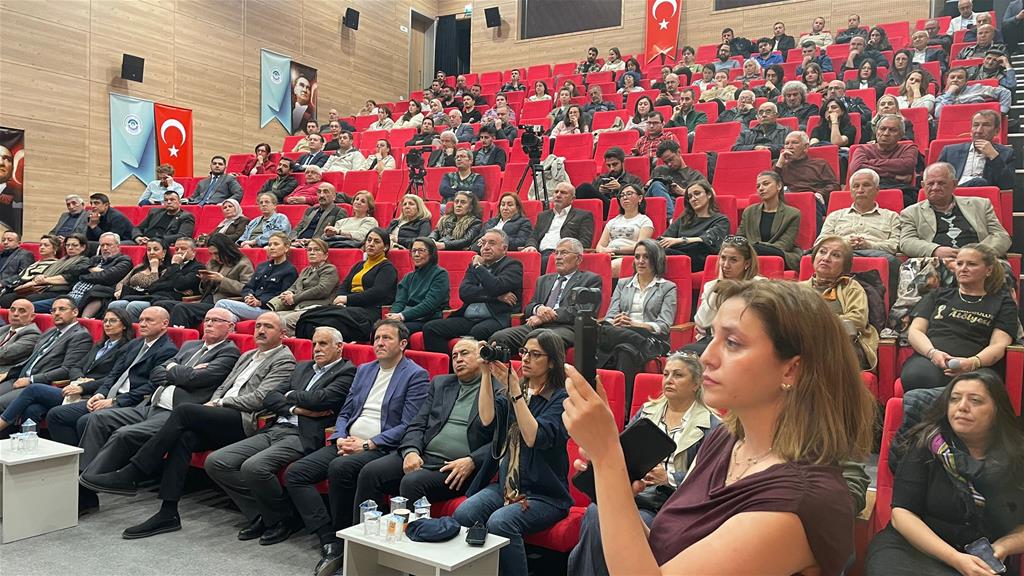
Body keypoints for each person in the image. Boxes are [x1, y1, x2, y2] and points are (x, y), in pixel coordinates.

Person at [561, 279, 875, 576]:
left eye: (733, 343)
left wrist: (608, 457)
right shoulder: (725, 439)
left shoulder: (800, 500)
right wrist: (613, 481)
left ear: (791, 370)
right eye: (712, 337)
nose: (707, 357)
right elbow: (666, 551)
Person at [80, 313, 297, 539]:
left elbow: (260, 398)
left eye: (268, 326)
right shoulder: (248, 355)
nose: (260, 330)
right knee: (184, 438)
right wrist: (215, 400)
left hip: (244, 419)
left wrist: (219, 403)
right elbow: (222, 387)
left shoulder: (284, 359)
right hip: (220, 413)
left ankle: (134, 472)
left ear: (283, 334)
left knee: (184, 411)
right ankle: (168, 513)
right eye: (258, 325)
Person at [286, 319, 428, 576]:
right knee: (296, 473)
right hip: (348, 442)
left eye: (387, 338)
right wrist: (340, 436)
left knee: (340, 467)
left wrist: (369, 443)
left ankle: (350, 542)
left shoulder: (415, 375)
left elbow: (409, 424)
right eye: (377, 338)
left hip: (381, 446)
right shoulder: (364, 370)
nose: (380, 343)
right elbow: (346, 411)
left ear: (403, 344)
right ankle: (330, 539)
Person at [73, 307, 239, 512]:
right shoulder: (190, 345)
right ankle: (87, 488)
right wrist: (180, 371)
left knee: (124, 434)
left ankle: (83, 490)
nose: (209, 323)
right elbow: (156, 373)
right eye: (207, 319)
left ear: (230, 327)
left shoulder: (229, 352)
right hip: (151, 404)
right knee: (96, 419)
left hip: (175, 413)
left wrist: (176, 370)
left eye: (216, 320)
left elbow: (194, 379)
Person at [568, 353, 720, 576]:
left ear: (696, 383)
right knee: (594, 511)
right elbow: (623, 451)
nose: (669, 380)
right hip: (634, 491)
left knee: (624, 523)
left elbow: (708, 483)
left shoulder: (712, 426)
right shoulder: (647, 412)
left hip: (668, 504)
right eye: (666, 374)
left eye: (678, 375)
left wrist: (668, 479)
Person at [205, 326, 355, 546]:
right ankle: (265, 514)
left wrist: (290, 395)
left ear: (339, 347)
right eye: (314, 344)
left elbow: (321, 399)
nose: (316, 349)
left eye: (323, 344)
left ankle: (282, 520)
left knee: (254, 467)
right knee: (217, 462)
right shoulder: (302, 367)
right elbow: (270, 397)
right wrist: (295, 408)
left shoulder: (347, 372)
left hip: (302, 435)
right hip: (276, 427)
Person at [866, 372, 1024, 576]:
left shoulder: (1016, 457)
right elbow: (902, 514)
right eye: (954, 399)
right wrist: (955, 559)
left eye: (975, 400)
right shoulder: (927, 444)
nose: (962, 406)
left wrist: (1003, 546)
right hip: (913, 549)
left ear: (997, 410)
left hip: (981, 556)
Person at [453, 329, 570, 576]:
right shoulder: (518, 389)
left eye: (535, 354)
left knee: (501, 522)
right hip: (507, 487)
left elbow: (533, 436)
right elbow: (486, 418)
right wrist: (486, 374)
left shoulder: (561, 399)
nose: (526, 358)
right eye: (524, 352)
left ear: (552, 362)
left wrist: (515, 390)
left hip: (544, 495)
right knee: (465, 512)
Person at [354, 337, 506, 516]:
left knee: (412, 482)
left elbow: (502, 439)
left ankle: (412, 533)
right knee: (370, 472)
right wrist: (411, 451)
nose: (458, 359)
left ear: (481, 356)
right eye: (454, 356)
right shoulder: (441, 384)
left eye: (464, 353)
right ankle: (364, 532)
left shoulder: (498, 388)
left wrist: (472, 460)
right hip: (424, 455)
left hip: (458, 467)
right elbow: (417, 423)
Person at [46, 306, 178, 448]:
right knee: (56, 415)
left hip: (132, 403)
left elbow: (151, 387)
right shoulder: (135, 344)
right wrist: (100, 394)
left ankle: (90, 460)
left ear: (164, 324)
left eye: (149, 320)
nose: (143, 324)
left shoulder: (168, 350)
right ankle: (73, 456)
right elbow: (114, 374)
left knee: (86, 420)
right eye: (141, 320)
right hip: (110, 396)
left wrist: (114, 401)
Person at [0, 308, 131, 444]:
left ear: (124, 325)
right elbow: (76, 367)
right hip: (75, 388)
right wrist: (79, 380)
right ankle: (28, 448)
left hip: (93, 394)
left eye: (113, 321)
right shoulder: (100, 345)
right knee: (32, 409)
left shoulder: (127, 348)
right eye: (105, 321)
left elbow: (113, 378)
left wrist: (84, 386)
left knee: (34, 389)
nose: (107, 324)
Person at [492, 237, 603, 352]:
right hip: (536, 326)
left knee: (543, 340)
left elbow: (582, 311)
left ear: (578, 259)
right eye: (556, 253)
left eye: (564, 253)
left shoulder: (590, 280)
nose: (558, 257)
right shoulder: (543, 280)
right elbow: (529, 307)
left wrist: (546, 317)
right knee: (499, 338)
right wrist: (538, 308)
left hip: (567, 328)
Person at [423, 228, 523, 352]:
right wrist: (496, 297)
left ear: (504, 248)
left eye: (491, 243)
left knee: (478, 331)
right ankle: (449, 362)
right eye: (483, 243)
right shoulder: (473, 266)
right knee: (431, 328)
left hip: (495, 318)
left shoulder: (512, 265)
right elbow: (464, 292)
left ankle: (476, 364)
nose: (486, 247)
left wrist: (478, 267)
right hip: (468, 318)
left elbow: (496, 287)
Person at [596, 240, 677, 387]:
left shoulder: (668, 288)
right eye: (637, 257)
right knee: (625, 349)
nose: (640, 261)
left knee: (603, 335)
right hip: (621, 333)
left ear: (656, 259)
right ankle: (644, 345)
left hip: (649, 334)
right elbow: (610, 316)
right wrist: (617, 321)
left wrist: (636, 324)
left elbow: (664, 325)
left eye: (646, 257)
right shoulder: (623, 284)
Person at [295, 229, 397, 344]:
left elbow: (377, 293)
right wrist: (340, 300)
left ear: (385, 247)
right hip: (348, 308)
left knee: (329, 322)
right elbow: (344, 286)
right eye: (369, 240)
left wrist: (347, 299)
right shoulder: (359, 265)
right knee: (308, 318)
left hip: (369, 311)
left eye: (376, 241)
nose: (371, 244)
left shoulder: (387, 268)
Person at [899, 162, 1011, 259]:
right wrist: (935, 250)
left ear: (954, 184)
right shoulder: (910, 213)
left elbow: (1001, 236)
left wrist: (978, 253)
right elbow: (906, 242)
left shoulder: (980, 205)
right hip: (935, 262)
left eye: (941, 183)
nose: (935, 188)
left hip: (979, 262)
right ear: (923, 185)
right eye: (930, 183)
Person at [799, 236, 879, 370]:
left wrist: (818, 323)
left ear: (844, 266)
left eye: (835, 255)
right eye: (822, 252)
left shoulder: (851, 287)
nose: (826, 258)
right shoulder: (798, 289)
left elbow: (857, 320)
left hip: (843, 344)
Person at [0, 296, 92, 410]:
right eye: (53, 310)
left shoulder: (81, 335)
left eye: (62, 309)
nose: (56, 313)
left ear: (75, 312)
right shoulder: (50, 331)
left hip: (41, 384)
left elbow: (67, 369)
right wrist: (9, 373)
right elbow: (32, 359)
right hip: (20, 378)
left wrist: (31, 379)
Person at [818, 168, 902, 282]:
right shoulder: (835, 215)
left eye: (866, 185)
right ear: (851, 191)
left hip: (875, 255)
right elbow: (820, 242)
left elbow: (895, 245)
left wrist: (869, 245)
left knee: (892, 261)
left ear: (877, 189)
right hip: (841, 254)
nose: (860, 190)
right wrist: (844, 244)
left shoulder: (891, 216)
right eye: (856, 186)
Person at [684, 237, 764, 354]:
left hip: (744, 342)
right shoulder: (712, 286)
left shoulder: (759, 285)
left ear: (746, 263)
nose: (726, 265)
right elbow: (702, 323)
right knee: (684, 355)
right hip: (713, 341)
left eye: (733, 260)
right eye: (723, 258)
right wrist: (719, 287)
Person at [159, 234, 254, 329]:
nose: (214, 257)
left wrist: (222, 280)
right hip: (204, 300)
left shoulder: (243, 264)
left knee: (181, 308)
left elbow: (247, 289)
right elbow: (203, 290)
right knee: (162, 304)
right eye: (211, 254)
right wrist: (204, 282)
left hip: (222, 303)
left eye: (216, 253)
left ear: (226, 250)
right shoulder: (213, 263)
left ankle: (177, 336)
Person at [32, 232, 133, 318]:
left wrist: (83, 275)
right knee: (31, 307)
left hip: (88, 298)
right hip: (70, 295)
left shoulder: (124, 261)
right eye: (102, 245)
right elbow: (73, 269)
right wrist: (91, 269)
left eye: (109, 245)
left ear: (118, 246)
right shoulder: (95, 259)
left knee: (47, 310)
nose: (105, 248)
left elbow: (106, 277)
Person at [108, 237, 203, 321]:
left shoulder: (197, 267)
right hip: (156, 297)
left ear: (193, 252)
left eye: (183, 249)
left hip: (172, 301)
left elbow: (180, 284)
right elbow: (154, 286)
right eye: (177, 249)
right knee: (116, 305)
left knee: (134, 306)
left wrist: (175, 266)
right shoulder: (173, 267)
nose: (179, 252)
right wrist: (173, 286)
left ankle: (133, 333)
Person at [263, 239, 339, 336]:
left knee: (282, 322)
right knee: (268, 319)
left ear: (325, 255)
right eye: (309, 250)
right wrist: (288, 293)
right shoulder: (306, 270)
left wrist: (294, 298)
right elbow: (294, 286)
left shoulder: (329, 269)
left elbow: (322, 290)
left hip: (316, 308)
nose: (312, 253)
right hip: (298, 307)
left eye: (316, 250)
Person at [215, 232, 298, 321]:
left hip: (268, 309)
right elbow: (248, 287)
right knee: (226, 316)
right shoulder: (262, 266)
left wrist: (260, 302)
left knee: (222, 304)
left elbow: (282, 297)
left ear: (286, 248)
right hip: (251, 305)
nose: (272, 247)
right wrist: (248, 297)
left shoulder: (289, 270)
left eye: (276, 244)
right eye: (269, 245)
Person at [849, 115, 921, 206]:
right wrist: (893, 176)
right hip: (866, 190)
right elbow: (857, 168)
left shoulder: (909, 148)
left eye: (892, 130)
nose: (886, 133)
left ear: (901, 135)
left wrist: (869, 163)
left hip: (900, 190)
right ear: (876, 131)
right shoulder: (863, 149)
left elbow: (907, 165)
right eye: (882, 129)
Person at [2, 234, 88, 309]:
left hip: (59, 291)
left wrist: (44, 280)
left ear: (83, 247)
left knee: (27, 301)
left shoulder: (84, 261)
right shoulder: (63, 260)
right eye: (67, 245)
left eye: (75, 245)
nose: (70, 248)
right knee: (6, 299)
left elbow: (69, 277)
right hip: (43, 288)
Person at [658, 181, 730, 270]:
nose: (693, 199)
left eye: (697, 193)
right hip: (677, 254)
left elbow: (709, 239)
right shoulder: (683, 219)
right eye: (690, 197)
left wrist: (680, 240)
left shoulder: (721, 220)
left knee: (664, 253)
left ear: (708, 195)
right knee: (653, 250)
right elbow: (664, 239)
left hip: (700, 259)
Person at [738, 171, 803, 270]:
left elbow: (784, 244)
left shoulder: (793, 214)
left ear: (779, 186)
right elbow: (740, 237)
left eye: (766, 184)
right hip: (751, 253)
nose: (761, 188)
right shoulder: (749, 211)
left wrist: (757, 246)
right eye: (758, 186)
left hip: (778, 253)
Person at [776, 130, 839, 227]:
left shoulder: (819, 164)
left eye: (794, 142)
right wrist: (779, 164)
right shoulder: (781, 166)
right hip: (789, 200)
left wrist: (820, 194)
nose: (789, 146)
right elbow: (770, 184)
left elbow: (834, 185)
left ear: (805, 147)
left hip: (812, 200)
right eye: (786, 143)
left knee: (811, 203)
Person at [937, 110, 1015, 189]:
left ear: (997, 131)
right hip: (954, 193)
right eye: (975, 125)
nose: (979, 131)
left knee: (979, 182)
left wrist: (994, 156)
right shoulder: (950, 151)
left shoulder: (1006, 153)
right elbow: (936, 178)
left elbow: (1007, 185)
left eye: (986, 125)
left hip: (983, 195)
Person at [385, 238, 449, 334]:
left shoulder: (440, 274)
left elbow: (429, 304)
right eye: (414, 251)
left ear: (431, 253)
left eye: (421, 250)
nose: (416, 254)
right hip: (408, 317)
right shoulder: (408, 277)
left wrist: (402, 316)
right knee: (381, 327)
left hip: (428, 319)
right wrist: (393, 315)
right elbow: (400, 302)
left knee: (395, 331)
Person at [524, 183, 595, 268]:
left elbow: (585, 242)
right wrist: (531, 246)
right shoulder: (543, 215)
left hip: (562, 255)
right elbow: (533, 236)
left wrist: (565, 251)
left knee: (541, 262)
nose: (558, 195)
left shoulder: (583, 216)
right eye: (556, 192)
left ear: (572, 199)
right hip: (539, 253)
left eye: (563, 193)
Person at [596, 184, 655, 277]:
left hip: (630, 257)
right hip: (607, 256)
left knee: (610, 267)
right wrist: (601, 251)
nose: (625, 197)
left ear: (640, 198)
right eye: (622, 195)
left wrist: (613, 250)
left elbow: (640, 247)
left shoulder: (645, 221)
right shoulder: (613, 221)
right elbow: (600, 245)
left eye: (629, 194)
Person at [646, 140, 710, 221]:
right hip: (656, 206)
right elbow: (643, 194)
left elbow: (711, 194)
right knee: (656, 185)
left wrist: (683, 192)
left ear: (679, 152)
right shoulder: (659, 170)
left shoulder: (694, 175)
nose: (669, 164)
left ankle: (672, 219)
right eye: (665, 162)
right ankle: (672, 220)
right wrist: (647, 185)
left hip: (677, 206)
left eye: (671, 159)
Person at [576, 147, 645, 219]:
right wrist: (599, 191)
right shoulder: (600, 179)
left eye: (615, 164)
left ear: (622, 163)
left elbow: (639, 200)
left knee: (585, 187)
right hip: (603, 209)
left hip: (621, 208)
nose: (612, 168)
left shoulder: (634, 180)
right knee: (584, 188)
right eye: (608, 165)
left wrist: (620, 188)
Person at [935, 66, 1012, 116]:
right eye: (952, 77)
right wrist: (950, 93)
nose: (955, 80)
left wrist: (1001, 112)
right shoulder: (941, 98)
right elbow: (938, 115)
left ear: (966, 81)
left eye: (960, 77)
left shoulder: (977, 88)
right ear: (947, 80)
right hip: (954, 127)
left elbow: (1005, 92)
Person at [131, 191, 195, 247]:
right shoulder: (155, 212)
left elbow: (183, 236)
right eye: (166, 200)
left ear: (179, 202)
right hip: (144, 241)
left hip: (162, 244)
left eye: (172, 200)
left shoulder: (186, 216)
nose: (169, 202)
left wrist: (155, 240)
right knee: (125, 243)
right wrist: (137, 237)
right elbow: (138, 228)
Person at [290, 183, 345, 247]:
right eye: (319, 192)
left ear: (334, 197)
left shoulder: (339, 211)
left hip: (318, 245)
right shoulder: (310, 210)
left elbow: (336, 236)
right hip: (298, 243)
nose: (321, 195)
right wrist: (293, 240)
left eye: (326, 192)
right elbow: (297, 229)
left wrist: (312, 241)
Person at [0, 299, 40, 376]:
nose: (15, 314)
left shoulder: (33, 334)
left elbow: (4, 355)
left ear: (32, 317)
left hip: (5, 374)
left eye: (22, 311)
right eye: (12, 310)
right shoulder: (4, 329)